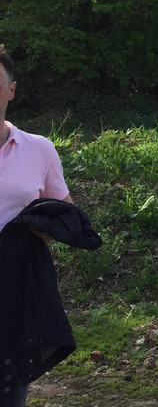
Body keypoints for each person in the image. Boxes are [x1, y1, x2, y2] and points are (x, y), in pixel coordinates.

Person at [0, 45, 76, 407]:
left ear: (11, 91)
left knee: (9, 385)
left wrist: (46, 226)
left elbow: (65, 213)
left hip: (15, 289)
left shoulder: (40, 150)